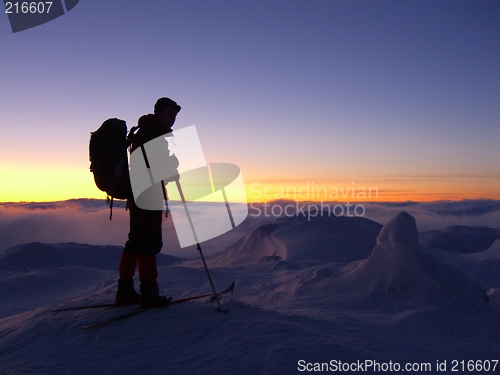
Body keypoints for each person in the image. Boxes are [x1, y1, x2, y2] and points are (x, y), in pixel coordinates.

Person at [115, 97, 181, 309]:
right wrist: (171, 166)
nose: (173, 118)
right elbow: (153, 169)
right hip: (147, 195)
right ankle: (149, 292)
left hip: (138, 194)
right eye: (170, 113)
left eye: (175, 115)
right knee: (149, 243)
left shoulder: (146, 131)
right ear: (160, 113)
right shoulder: (153, 133)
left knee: (135, 241)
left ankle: (124, 291)